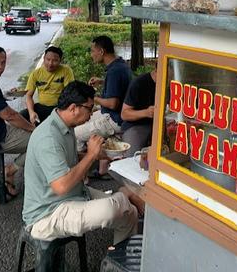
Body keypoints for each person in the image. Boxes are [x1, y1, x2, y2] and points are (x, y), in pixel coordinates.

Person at [23, 81, 142, 244]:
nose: (92, 114)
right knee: (114, 207)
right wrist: (90, 155)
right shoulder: (48, 137)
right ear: (73, 108)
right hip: (48, 214)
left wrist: (96, 155)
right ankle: (124, 195)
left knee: (129, 213)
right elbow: (61, 186)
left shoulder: (64, 125)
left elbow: (64, 159)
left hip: (74, 194)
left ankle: (122, 262)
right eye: (89, 108)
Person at [75, 36, 132, 152]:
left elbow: (112, 104)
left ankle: (82, 165)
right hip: (116, 115)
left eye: (92, 51)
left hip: (114, 119)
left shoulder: (114, 71)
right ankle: (101, 168)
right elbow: (121, 84)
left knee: (75, 134)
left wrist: (93, 98)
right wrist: (102, 81)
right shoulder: (121, 64)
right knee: (80, 121)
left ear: (101, 51)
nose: (91, 54)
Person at [0, 46, 34, 197]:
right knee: (39, 141)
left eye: (3, 63)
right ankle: (9, 171)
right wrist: (33, 129)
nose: (0, 67)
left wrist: (3, 96)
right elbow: (10, 116)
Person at [19, 46, 74, 124]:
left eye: (55, 60)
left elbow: (70, 92)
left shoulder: (66, 71)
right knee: (21, 116)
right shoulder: (36, 74)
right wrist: (31, 112)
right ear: (44, 58)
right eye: (48, 59)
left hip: (59, 107)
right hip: (41, 107)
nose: (50, 63)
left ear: (60, 61)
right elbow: (28, 95)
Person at [121, 67, 156, 157]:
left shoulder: (172, 83)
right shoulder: (139, 83)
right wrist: (146, 112)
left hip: (160, 125)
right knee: (131, 158)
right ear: (158, 68)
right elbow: (124, 114)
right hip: (136, 126)